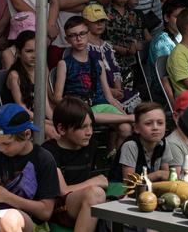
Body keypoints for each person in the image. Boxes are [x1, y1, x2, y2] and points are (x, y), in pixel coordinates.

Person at [42, 97, 113, 232]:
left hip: (81, 203)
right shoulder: (49, 152)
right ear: (62, 129)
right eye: (82, 128)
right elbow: (62, 191)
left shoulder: (90, 146)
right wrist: (96, 181)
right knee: (96, 193)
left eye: (91, 126)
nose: (89, 132)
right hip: (56, 207)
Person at [116, 101, 188, 232]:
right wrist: (157, 175)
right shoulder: (131, 146)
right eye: (148, 123)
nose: (155, 127)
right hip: (122, 192)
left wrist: (165, 178)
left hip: (148, 189)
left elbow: (165, 175)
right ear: (137, 128)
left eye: (160, 123)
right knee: (154, 201)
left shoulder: (163, 145)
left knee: (172, 194)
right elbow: (129, 182)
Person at [53, 16, 134, 148]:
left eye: (82, 34)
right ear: (67, 39)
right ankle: (130, 118)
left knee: (126, 129)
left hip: (101, 105)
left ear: (88, 34)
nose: (79, 39)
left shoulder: (98, 63)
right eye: (73, 36)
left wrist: (123, 113)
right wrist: (73, 105)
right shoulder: (64, 64)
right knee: (88, 114)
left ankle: (116, 162)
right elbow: (57, 97)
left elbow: (109, 97)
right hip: (81, 109)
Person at [83, 3, 141, 114]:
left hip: (113, 90)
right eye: (95, 21)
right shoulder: (85, 47)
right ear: (86, 23)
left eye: (102, 21)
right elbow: (87, 77)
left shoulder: (107, 46)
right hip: (98, 93)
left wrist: (118, 87)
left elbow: (115, 69)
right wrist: (110, 91)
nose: (100, 24)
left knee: (137, 105)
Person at [5, 30, 55, 133]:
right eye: (29, 51)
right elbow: (21, 108)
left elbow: (45, 104)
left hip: (36, 118)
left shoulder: (40, 71)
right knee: (52, 132)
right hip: (19, 119)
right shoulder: (14, 75)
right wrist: (46, 122)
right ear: (18, 52)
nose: (34, 55)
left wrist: (54, 120)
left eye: (37, 50)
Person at [104, 0, 145, 91]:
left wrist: (134, 44)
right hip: (111, 61)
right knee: (114, 90)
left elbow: (137, 34)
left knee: (128, 91)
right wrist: (118, 48)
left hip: (129, 62)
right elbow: (100, 39)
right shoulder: (105, 13)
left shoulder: (133, 14)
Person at [146, 0, 188, 97]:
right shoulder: (161, 43)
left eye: (185, 17)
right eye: (178, 16)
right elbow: (167, 78)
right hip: (166, 92)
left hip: (182, 82)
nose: (183, 21)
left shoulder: (182, 35)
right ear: (166, 18)